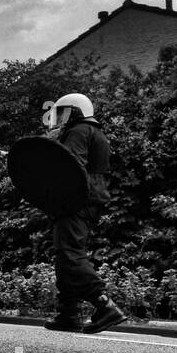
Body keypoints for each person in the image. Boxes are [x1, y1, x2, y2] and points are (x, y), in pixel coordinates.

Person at [43, 93, 125, 333]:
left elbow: (70, 166)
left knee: (70, 253)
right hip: (87, 199)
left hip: (77, 200)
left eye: (63, 112)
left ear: (76, 111)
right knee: (64, 254)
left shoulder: (79, 130)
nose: (59, 118)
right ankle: (67, 313)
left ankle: (104, 304)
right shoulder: (94, 131)